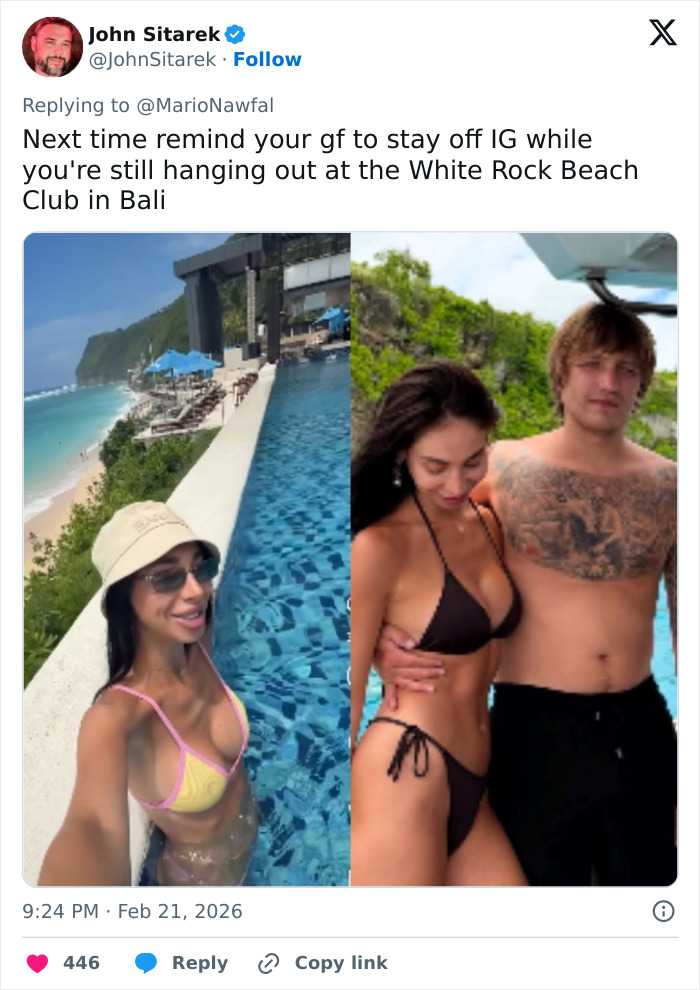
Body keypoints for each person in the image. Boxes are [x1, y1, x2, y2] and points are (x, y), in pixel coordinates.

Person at [376, 302, 677, 885]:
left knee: (650, 891)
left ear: (641, 384)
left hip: (640, 723)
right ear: (561, 375)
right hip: (535, 726)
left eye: (626, 369)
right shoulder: (502, 468)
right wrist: (379, 642)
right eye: (592, 364)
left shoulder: (671, 486)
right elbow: (401, 546)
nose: (609, 382)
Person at [351, 361, 527, 886]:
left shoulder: (487, 520)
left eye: (473, 461)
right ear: (402, 453)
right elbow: (346, 691)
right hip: (405, 773)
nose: (456, 483)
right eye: (435, 466)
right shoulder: (381, 546)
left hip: (475, 779)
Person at [39, 501, 258, 886]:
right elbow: (93, 826)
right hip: (206, 883)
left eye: (201, 568)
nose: (196, 590)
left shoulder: (197, 645)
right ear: (123, 597)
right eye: (167, 577)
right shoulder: (114, 719)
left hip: (258, 831)